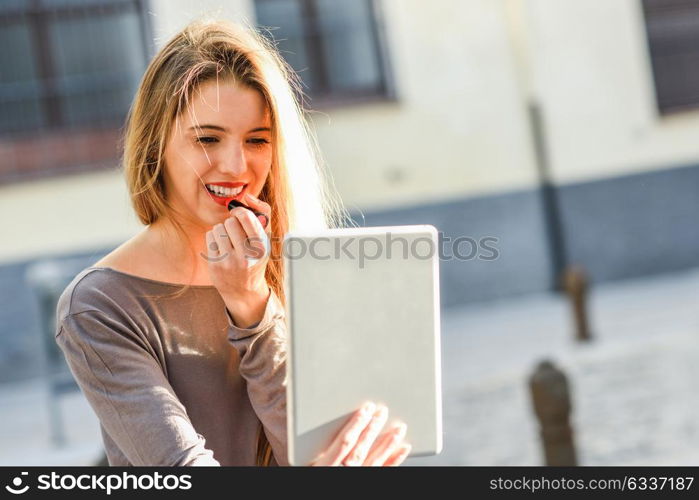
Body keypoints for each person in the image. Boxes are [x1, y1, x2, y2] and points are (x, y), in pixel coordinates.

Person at [54, 18, 411, 466]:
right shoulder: (99, 306)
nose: (236, 165)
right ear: (155, 145)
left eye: (257, 140)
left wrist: (252, 305)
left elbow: (319, 451)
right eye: (207, 139)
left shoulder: (304, 268)